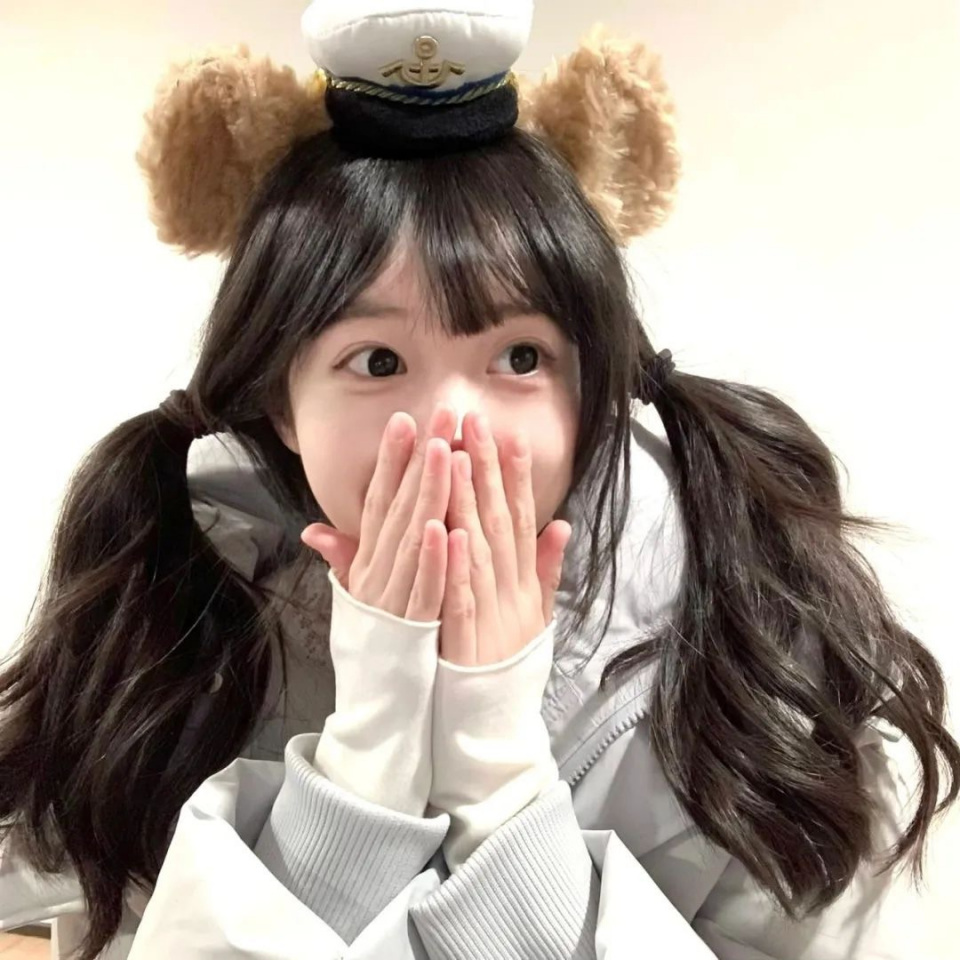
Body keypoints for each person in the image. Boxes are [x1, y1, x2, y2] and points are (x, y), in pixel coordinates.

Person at [1, 1, 957, 957]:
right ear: (281, 404)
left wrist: (495, 769)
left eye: (520, 357)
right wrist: (367, 751)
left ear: (591, 387)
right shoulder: (160, 636)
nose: (454, 428)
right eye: (378, 361)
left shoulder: (757, 641)